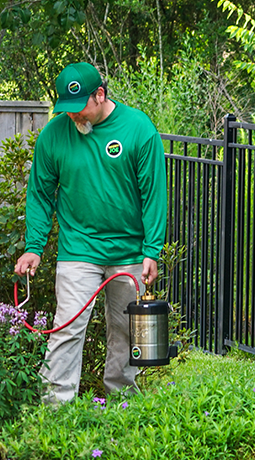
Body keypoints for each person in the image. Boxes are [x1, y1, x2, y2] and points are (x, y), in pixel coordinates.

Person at [14, 62, 167, 403]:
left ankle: (121, 407)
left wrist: (151, 250)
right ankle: (54, 413)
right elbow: (40, 194)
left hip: (128, 253)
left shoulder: (138, 129)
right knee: (67, 328)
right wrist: (34, 247)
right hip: (78, 250)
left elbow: (154, 194)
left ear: (100, 94)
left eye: (79, 107)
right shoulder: (54, 135)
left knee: (127, 336)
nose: (73, 117)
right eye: (66, 109)